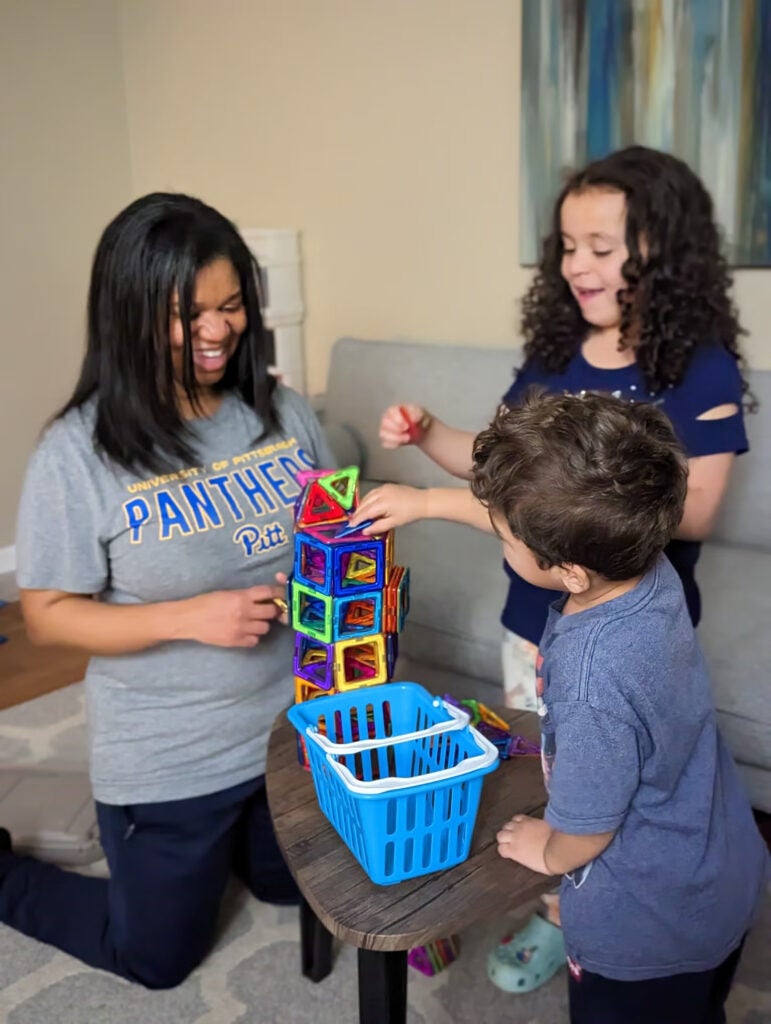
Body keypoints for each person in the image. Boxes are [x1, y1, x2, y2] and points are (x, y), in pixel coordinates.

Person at [347, 145, 754, 988]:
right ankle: (558, 892)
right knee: (562, 770)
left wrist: (517, 505)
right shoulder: (554, 354)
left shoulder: (698, 365)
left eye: (602, 249)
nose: (578, 266)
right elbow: (503, 469)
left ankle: (575, 906)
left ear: (662, 254)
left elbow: (699, 504)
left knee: (609, 780)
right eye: (567, 246)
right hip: (533, 621)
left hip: (623, 617)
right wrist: (430, 438)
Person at [0, 193, 335, 988]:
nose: (218, 332)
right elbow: (45, 618)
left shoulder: (282, 412)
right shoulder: (77, 453)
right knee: (156, 958)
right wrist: (191, 617)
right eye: (189, 315)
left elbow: (326, 527)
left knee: (297, 890)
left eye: (230, 307)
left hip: (289, 731)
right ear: (130, 314)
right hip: (170, 751)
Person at [471, 389, 768, 1024]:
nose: (500, 542)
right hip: (724, 869)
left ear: (573, 573)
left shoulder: (589, 684)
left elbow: (588, 831)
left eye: (505, 537)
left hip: (648, 928)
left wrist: (547, 849)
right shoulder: (647, 560)